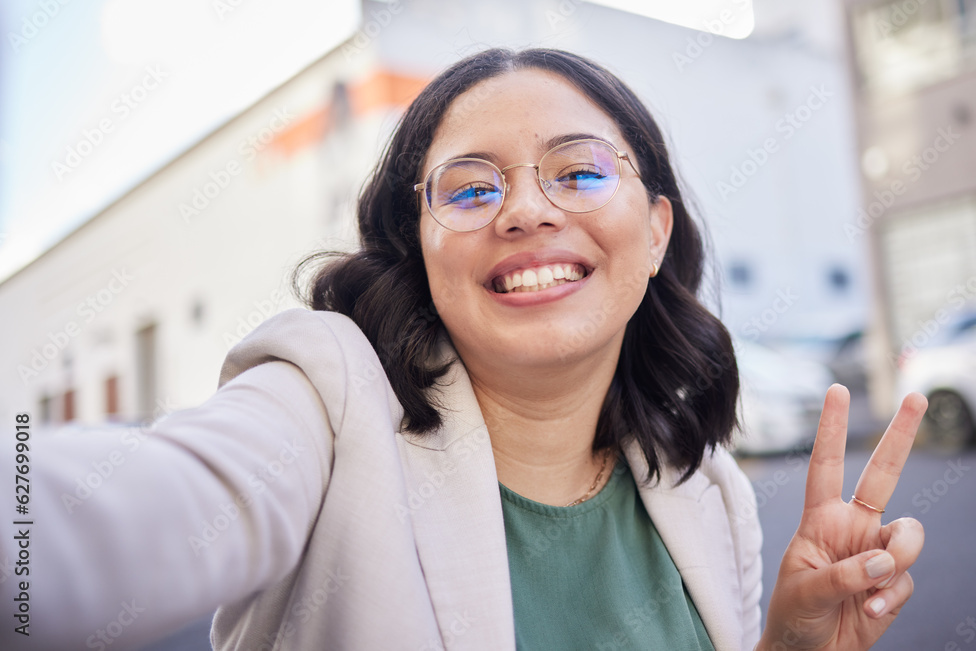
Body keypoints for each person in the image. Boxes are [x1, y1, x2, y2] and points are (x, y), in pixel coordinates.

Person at [3, 48, 927, 651]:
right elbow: (94, 519)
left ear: (653, 232)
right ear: (420, 244)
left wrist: (792, 646)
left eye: (578, 171)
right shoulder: (324, 408)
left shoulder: (707, 488)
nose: (526, 209)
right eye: (472, 188)